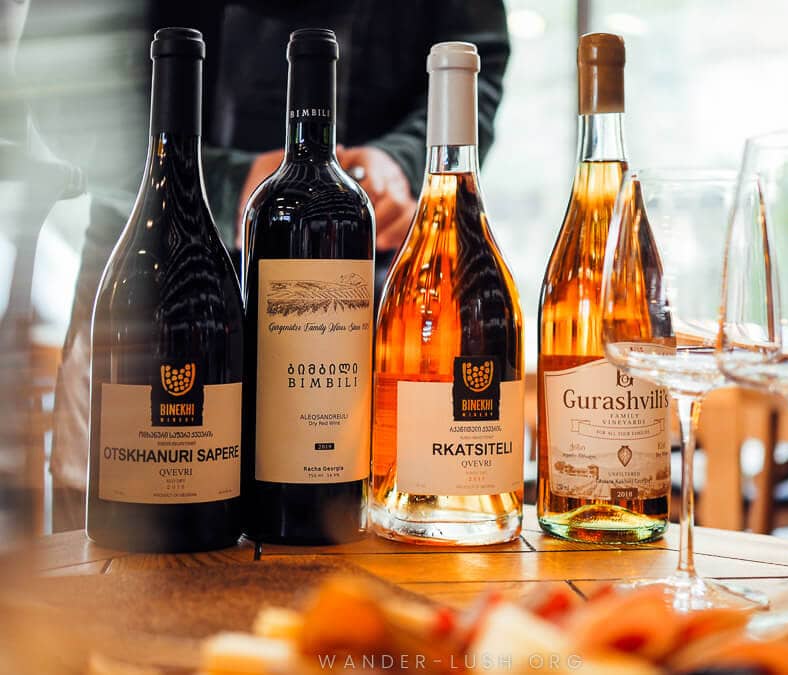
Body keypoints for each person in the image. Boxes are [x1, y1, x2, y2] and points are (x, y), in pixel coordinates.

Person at [49, 0, 510, 531]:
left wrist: (401, 162)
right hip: (143, 284)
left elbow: (478, 56)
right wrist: (223, 182)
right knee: (117, 557)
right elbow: (65, 84)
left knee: (355, 556)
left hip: (363, 296)